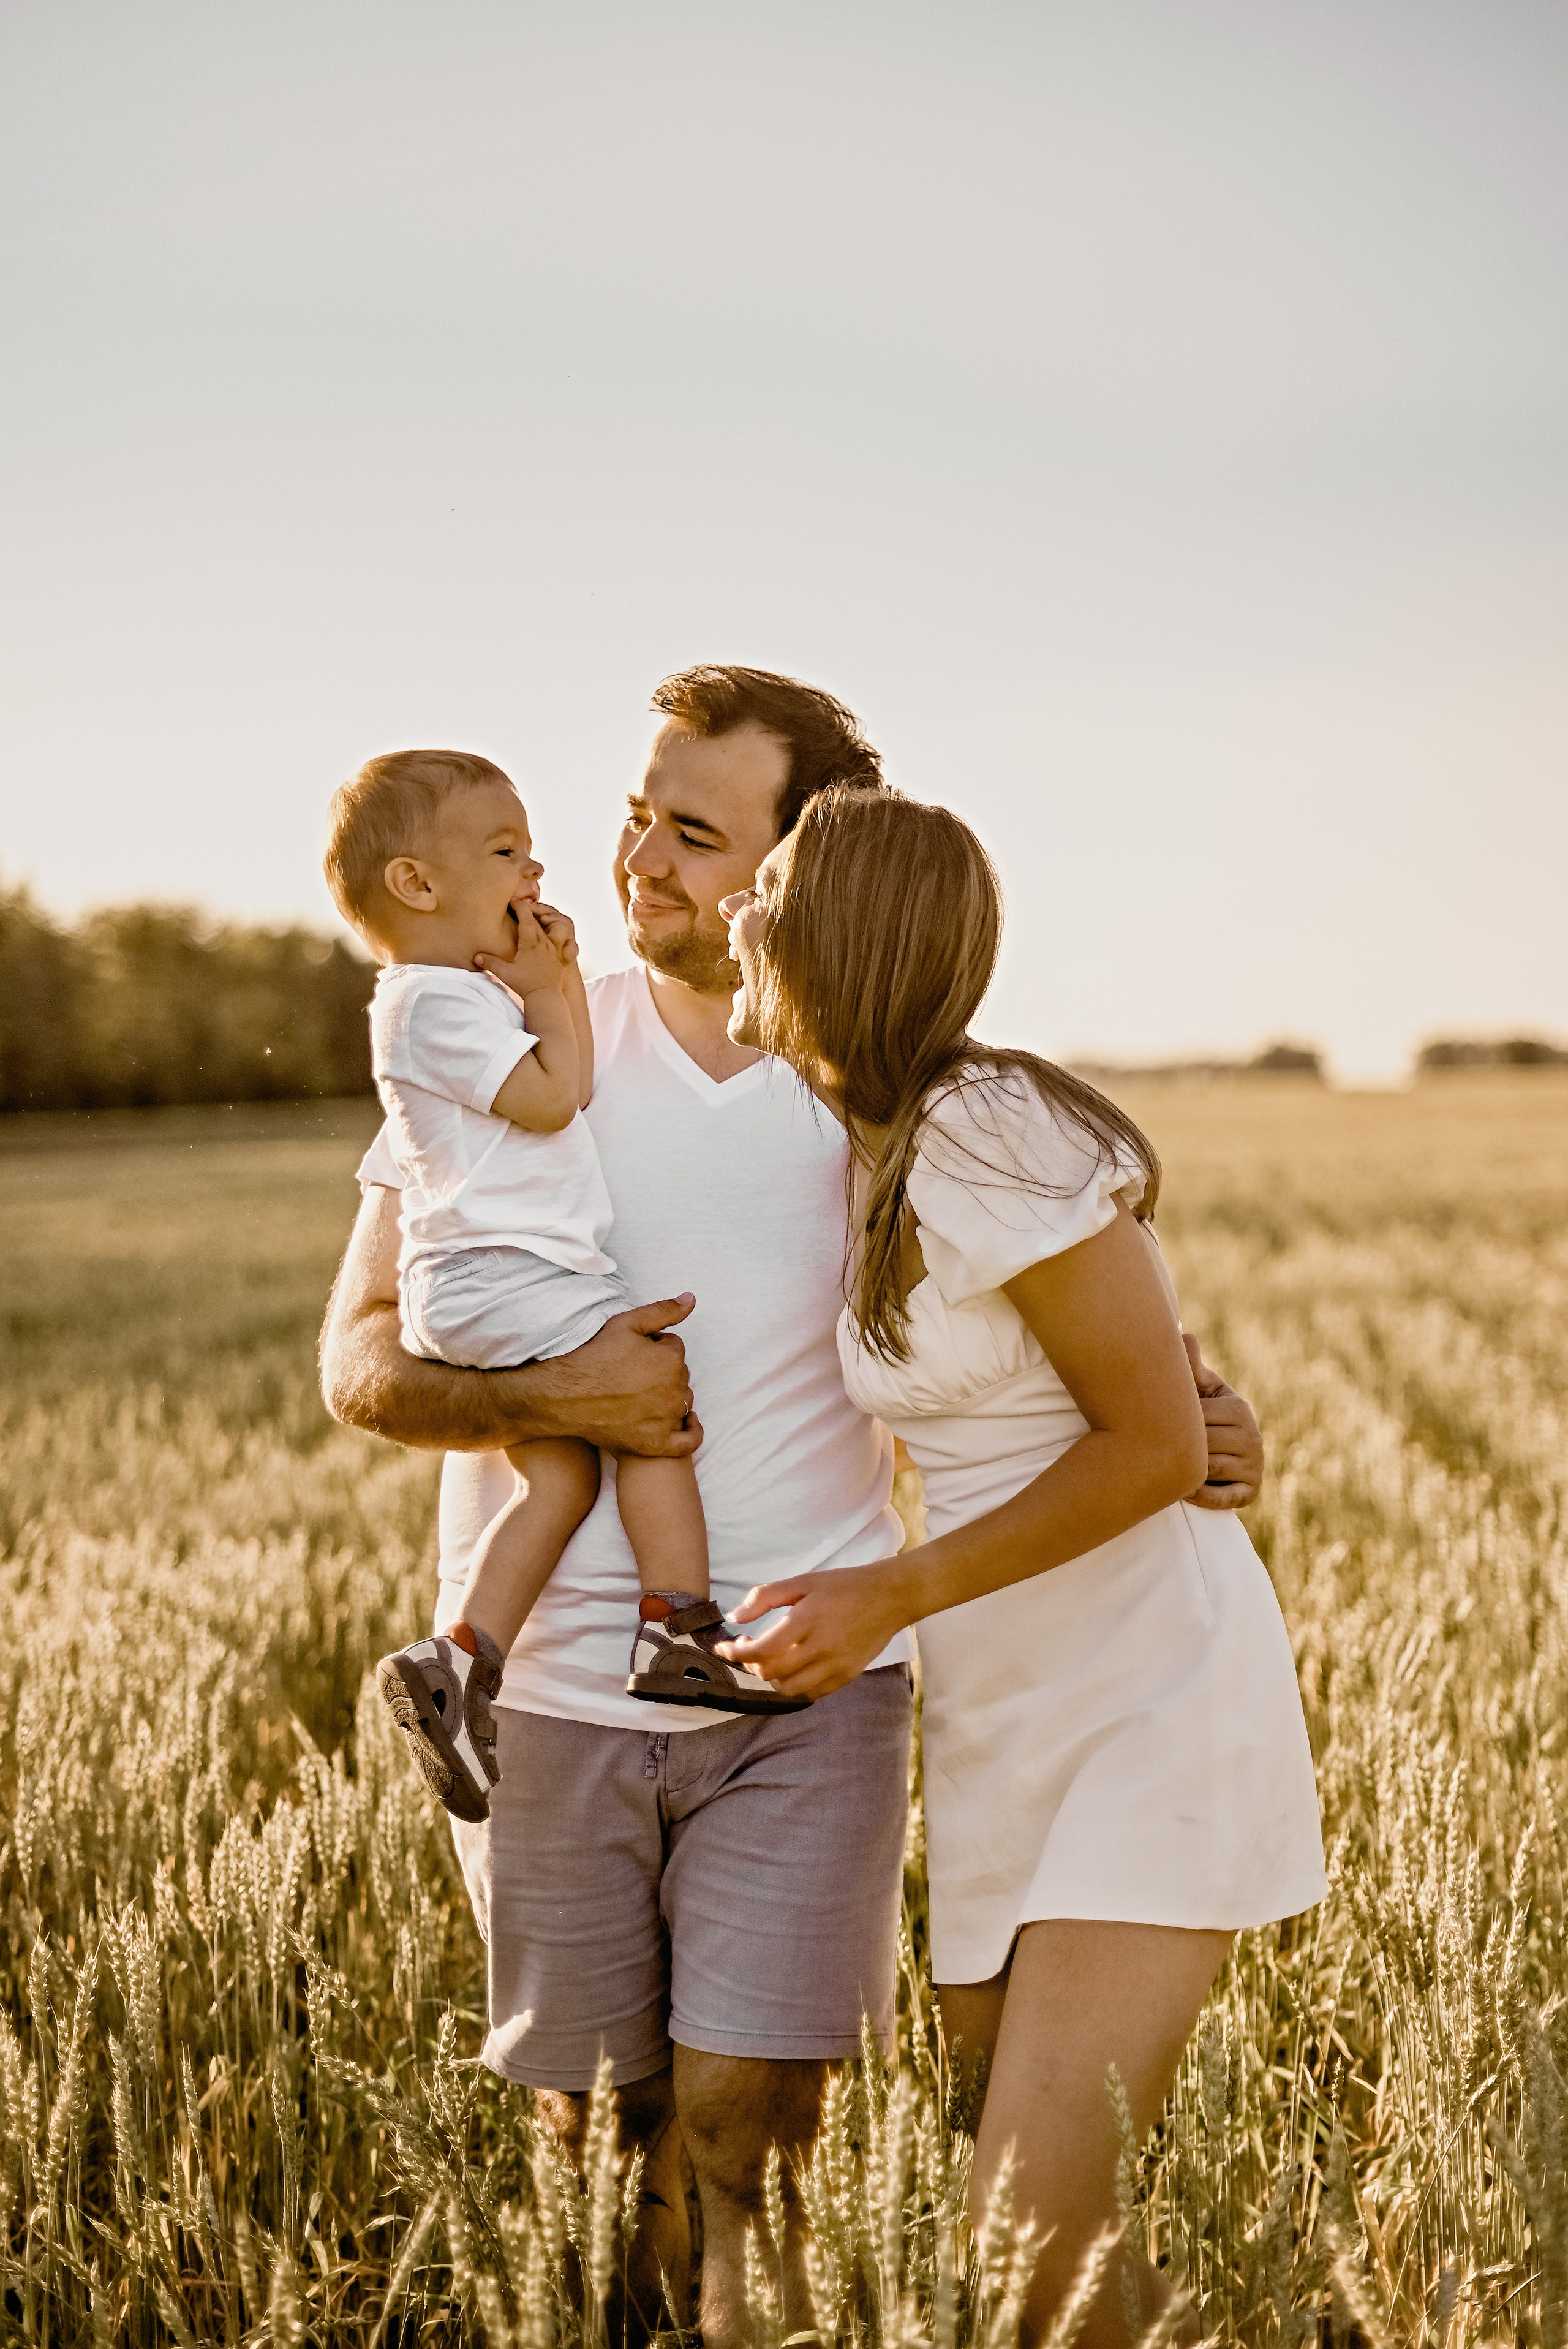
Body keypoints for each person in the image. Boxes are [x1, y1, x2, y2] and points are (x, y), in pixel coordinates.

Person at [317, 666, 1268, 2349]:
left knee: (758, 2134)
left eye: (697, 833)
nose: (639, 862)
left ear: (789, 869)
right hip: (543, 1693)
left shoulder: (871, 1090)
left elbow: (1058, 1340)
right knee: (599, 2145)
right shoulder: (509, 1031)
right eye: (635, 817)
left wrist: (1194, 1419)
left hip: (806, 1696)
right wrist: (551, 1401)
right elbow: (359, 1364)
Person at [717, 784, 1327, 2348]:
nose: (737, 912)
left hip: (1147, 1697)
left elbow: (1151, 1445)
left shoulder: (987, 1129)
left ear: (835, 934)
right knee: (1054, 2252)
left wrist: (888, 1595)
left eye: (763, 886)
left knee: (1025, 2242)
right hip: (1011, 1719)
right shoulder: (867, 1147)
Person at [323, 748, 799, 1823]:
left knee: (561, 1480)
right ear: (417, 885)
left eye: (695, 832)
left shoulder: (460, 1000)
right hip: (502, 1276)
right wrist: (549, 989)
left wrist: (540, 991)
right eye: (504, 852)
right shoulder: (433, 1005)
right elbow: (555, 1098)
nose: (537, 869)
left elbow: (554, 1088)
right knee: (650, 1405)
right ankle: (679, 1626)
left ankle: (459, 1662)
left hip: (498, 1282)